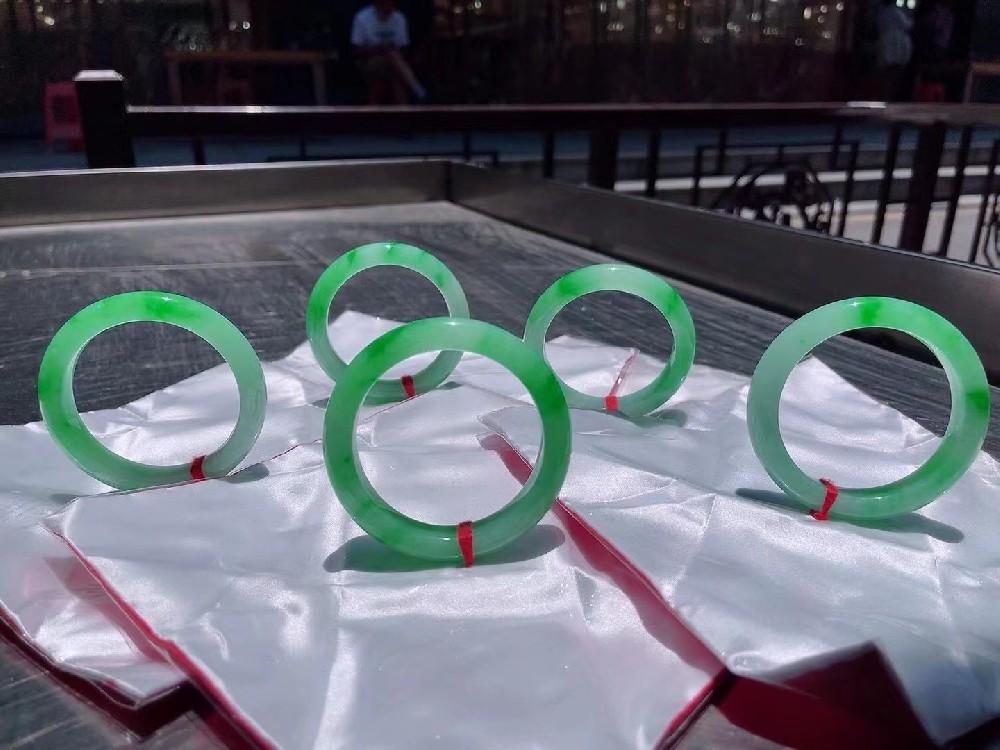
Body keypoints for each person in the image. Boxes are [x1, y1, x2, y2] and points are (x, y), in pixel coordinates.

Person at [351, 1, 427, 104]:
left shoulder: (399, 18)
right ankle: (416, 89)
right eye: (385, 4)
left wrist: (389, 53)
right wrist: (381, 51)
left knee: (394, 74)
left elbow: (404, 49)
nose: (388, 8)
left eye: (391, 4)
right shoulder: (362, 18)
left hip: (395, 63)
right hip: (368, 62)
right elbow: (357, 51)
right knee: (393, 61)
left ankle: (400, 110)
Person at [875, 0, 913, 100]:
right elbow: (907, 25)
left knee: (888, 72)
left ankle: (885, 96)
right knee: (892, 71)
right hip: (895, 44)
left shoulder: (883, 12)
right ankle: (886, 97)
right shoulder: (894, 11)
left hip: (888, 43)